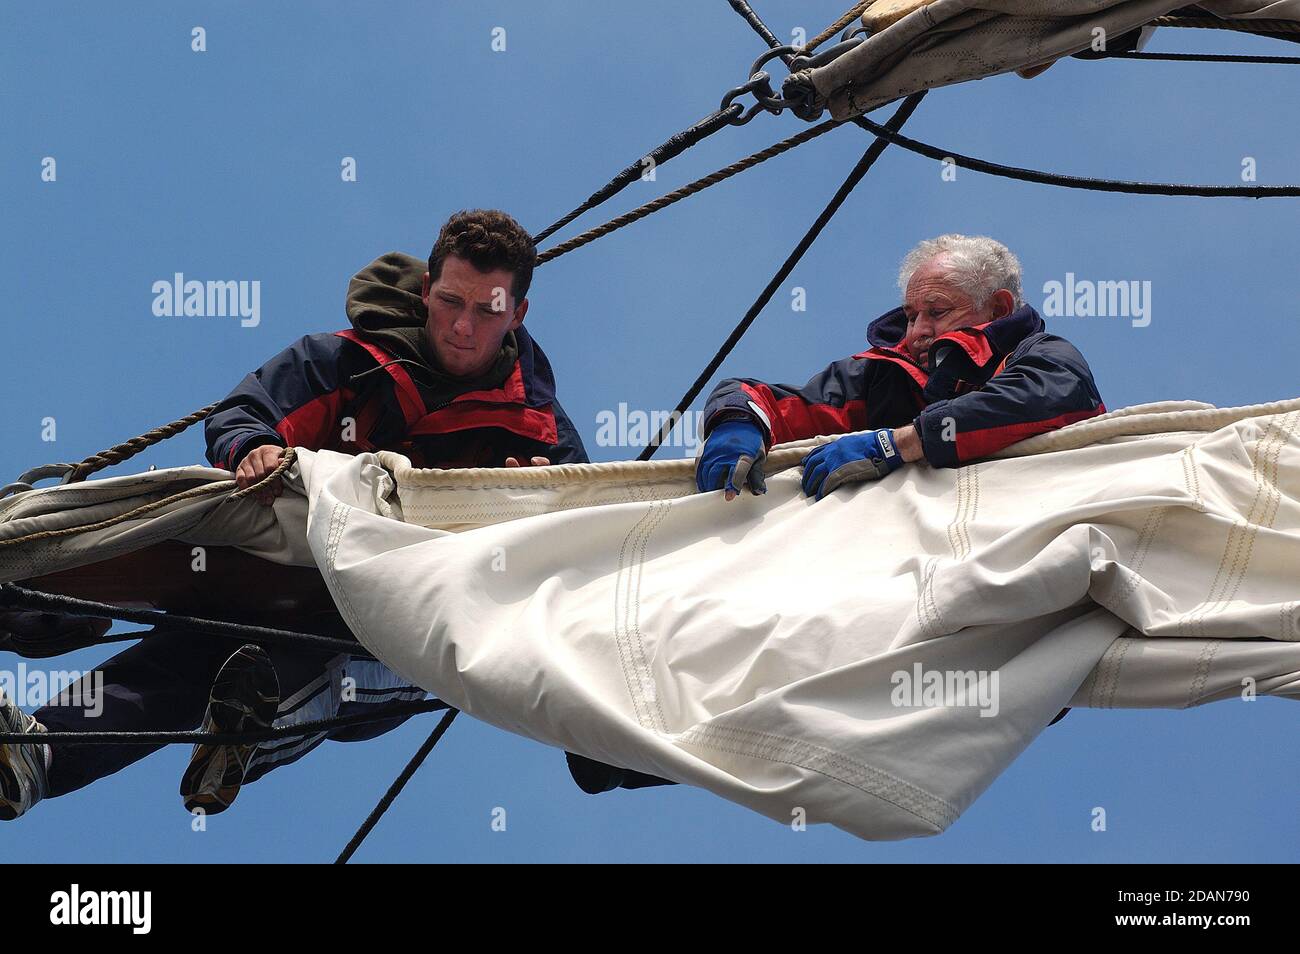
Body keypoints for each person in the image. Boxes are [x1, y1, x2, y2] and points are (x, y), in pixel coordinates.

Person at [1, 209, 589, 820]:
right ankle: (36, 742)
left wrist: (533, 507)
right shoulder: (345, 363)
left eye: (489, 310)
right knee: (186, 645)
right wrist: (249, 448)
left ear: (518, 314)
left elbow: (584, 548)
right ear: (425, 292)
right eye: (450, 301)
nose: (464, 326)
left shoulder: (542, 435)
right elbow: (244, 414)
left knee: (325, 655)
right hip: (274, 572)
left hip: (392, 628)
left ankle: (253, 728)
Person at [696, 234, 1106, 501]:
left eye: (937, 311)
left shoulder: (1043, 355)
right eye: (911, 316)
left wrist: (899, 444)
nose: (917, 333)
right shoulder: (880, 376)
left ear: (997, 308)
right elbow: (773, 401)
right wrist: (737, 422)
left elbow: (1046, 400)